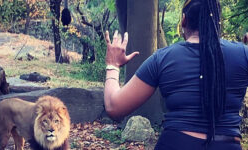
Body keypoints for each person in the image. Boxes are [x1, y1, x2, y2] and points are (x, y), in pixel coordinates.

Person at [104, 0, 248, 150]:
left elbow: (114, 107)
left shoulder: (163, 58)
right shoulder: (243, 55)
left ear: (184, 20)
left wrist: (112, 65)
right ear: (219, 21)